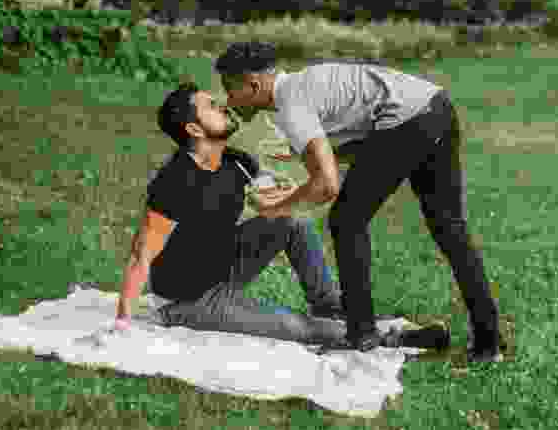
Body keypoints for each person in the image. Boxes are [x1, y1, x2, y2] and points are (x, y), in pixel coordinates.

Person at [215, 41, 506, 364]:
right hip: (435, 105)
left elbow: (327, 185)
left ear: (254, 85)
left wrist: (278, 207)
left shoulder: (290, 102)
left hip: (409, 120)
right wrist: (301, 173)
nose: (228, 100)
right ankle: (488, 340)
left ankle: (361, 333)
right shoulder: (302, 86)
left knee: (346, 220)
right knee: (450, 229)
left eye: (230, 89)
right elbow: (365, 148)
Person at [112, 82, 450, 352]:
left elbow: (266, 196)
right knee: (292, 327)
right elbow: (143, 252)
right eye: (212, 106)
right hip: (189, 299)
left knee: (295, 221)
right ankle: (389, 337)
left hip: (224, 263)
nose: (223, 105)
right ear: (194, 129)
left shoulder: (237, 162)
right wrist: (123, 321)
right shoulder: (175, 182)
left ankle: (329, 304)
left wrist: (284, 190)